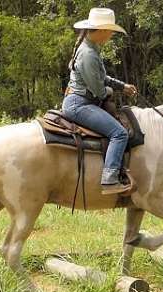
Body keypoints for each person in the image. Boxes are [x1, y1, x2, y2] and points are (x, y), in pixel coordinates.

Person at [62, 7, 138, 195]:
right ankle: (110, 178)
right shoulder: (88, 54)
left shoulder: (91, 49)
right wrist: (113, 90)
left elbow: (101, 77)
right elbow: (98, 90)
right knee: (119, 133)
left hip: (81, 101)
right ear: (102, 30)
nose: (111, 35)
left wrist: (122, 86)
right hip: (79, 104)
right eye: (111, 31)